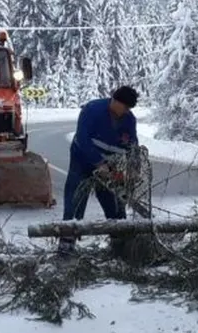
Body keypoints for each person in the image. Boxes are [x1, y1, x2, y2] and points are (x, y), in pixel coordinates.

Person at [58, 86, 140, 255]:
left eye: (129, 109)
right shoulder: (92, 110)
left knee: (114, 201)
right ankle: (67, 242)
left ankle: (119, 242)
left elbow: (133, 148)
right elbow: (82, 138)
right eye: (124, 107)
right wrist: (98, 163)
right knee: (76, 198)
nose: (125, 111)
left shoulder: (129, 120)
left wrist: (133, 170)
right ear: (115, 101)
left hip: (111, 164)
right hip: (82, 160)